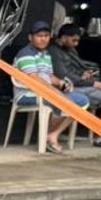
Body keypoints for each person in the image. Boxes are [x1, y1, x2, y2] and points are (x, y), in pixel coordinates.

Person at [50, 21, 101, 129]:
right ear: (64, 37)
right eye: (74, 40)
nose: (76, 44)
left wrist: (82, 74)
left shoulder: (70, 49)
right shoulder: (54, 51)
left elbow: (73, 69)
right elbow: (63, 76)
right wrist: (93, 83)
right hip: (69, 88)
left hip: (79, 83)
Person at [13, 21, 71, 152]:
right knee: (62, 101)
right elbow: (34, 79)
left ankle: (51, 135)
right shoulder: (26, 53)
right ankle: (50, 139)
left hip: (44, 93)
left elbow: (50, 76)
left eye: (46, 35)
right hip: (26, 94)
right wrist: (54, 92)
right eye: (39, 35)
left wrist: (62, 83)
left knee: (79, 103)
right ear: (30, 37)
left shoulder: (46, 54)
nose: (43, 38)